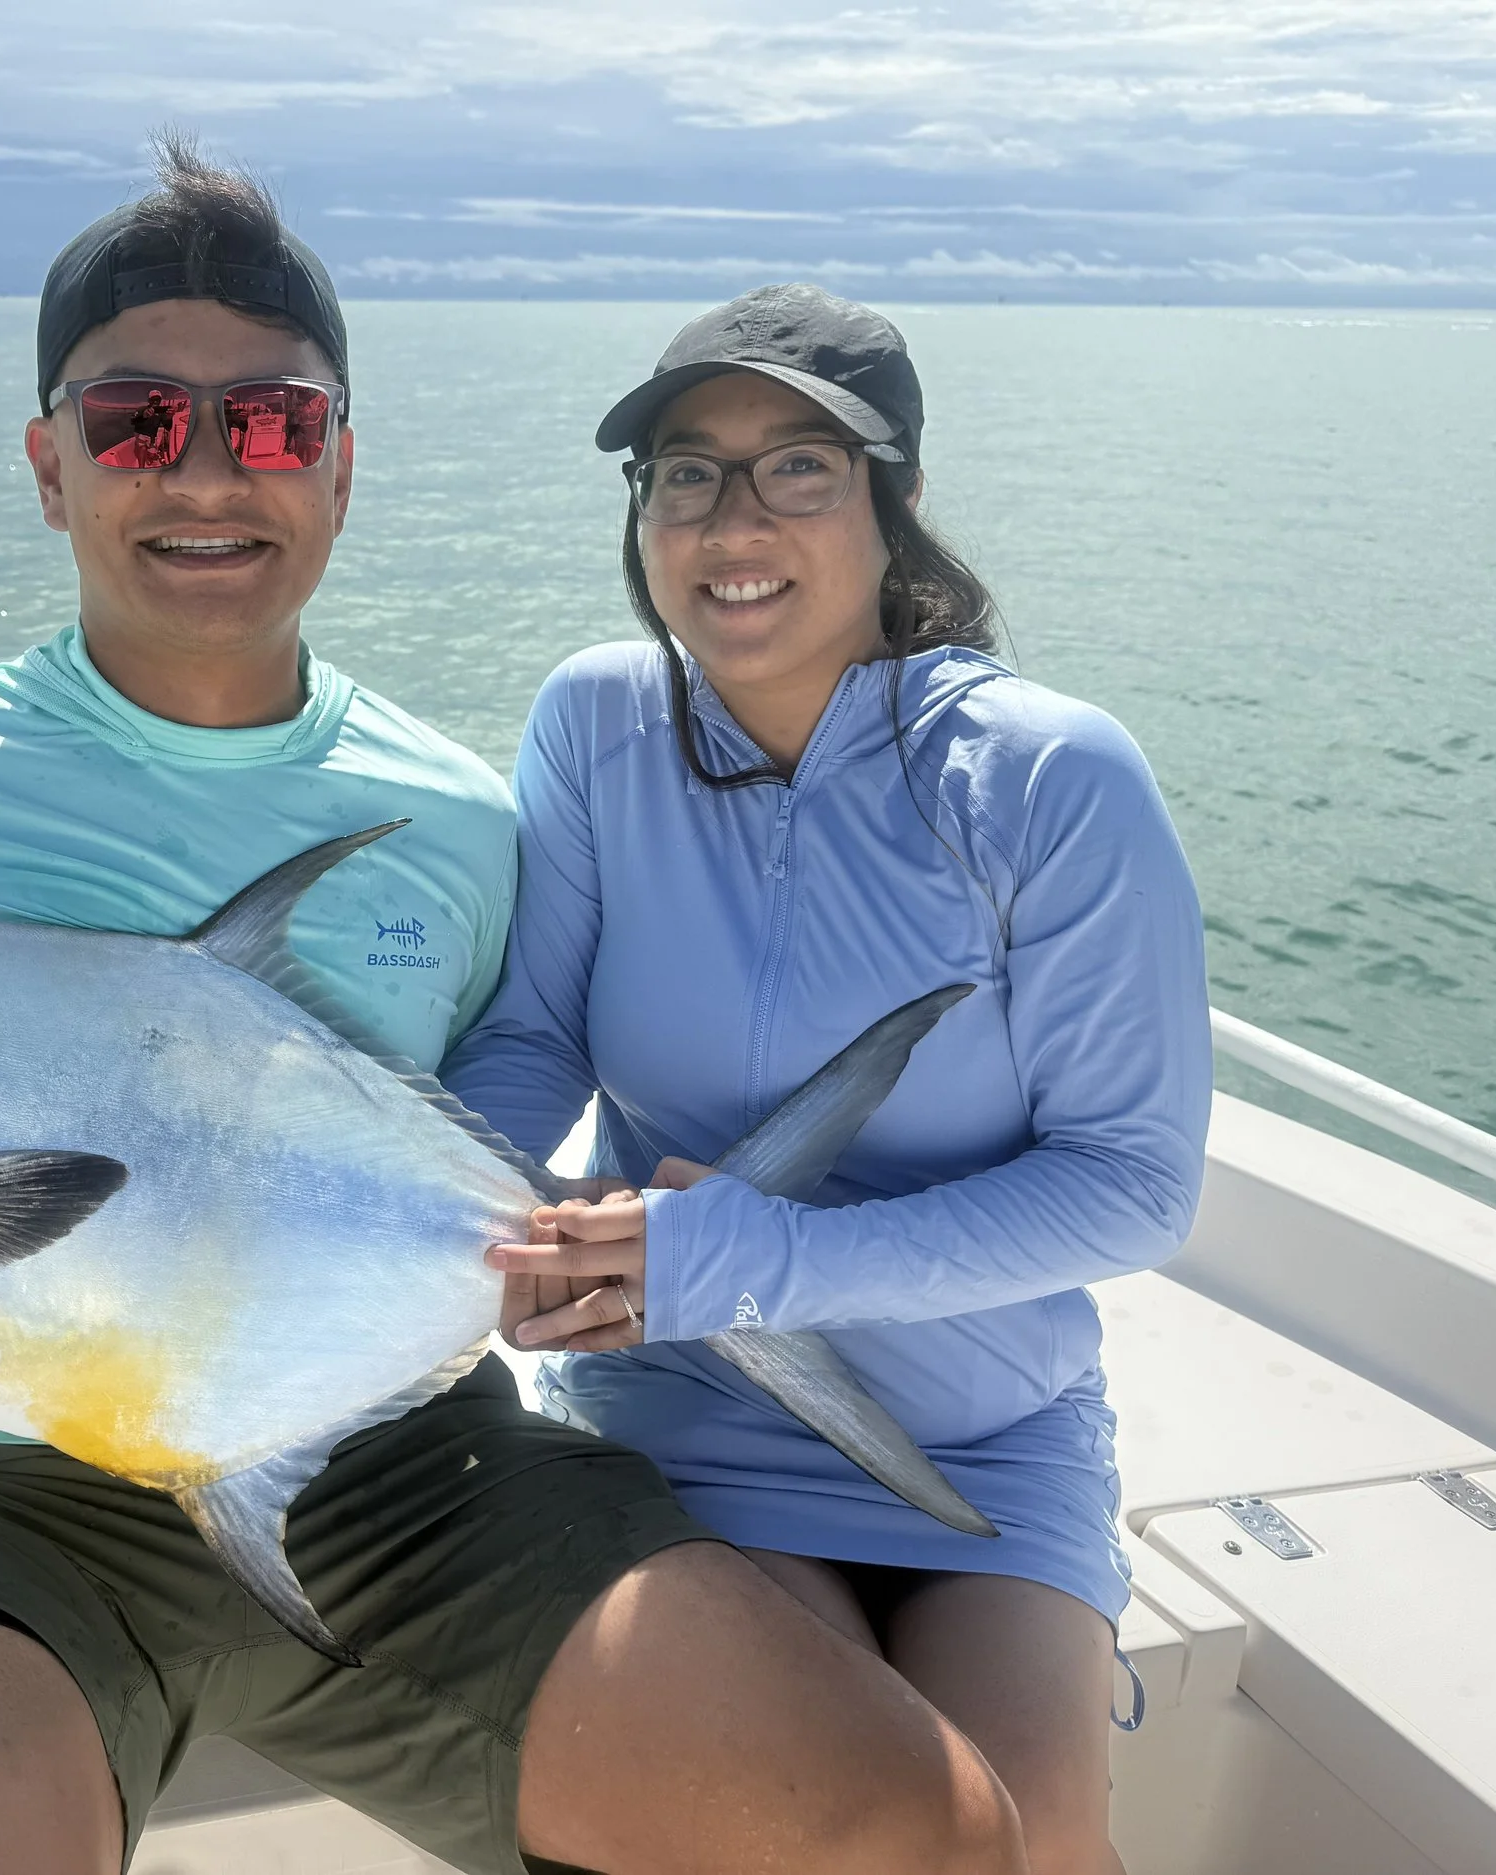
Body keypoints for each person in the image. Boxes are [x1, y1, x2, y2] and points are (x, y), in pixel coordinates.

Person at [0, 155, 1026, 1875]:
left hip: (398, 1456)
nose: (208, 472)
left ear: (343, 471)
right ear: (48, 466)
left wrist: (589, 1258)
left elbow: (464, 1132)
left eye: (274, 425)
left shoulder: (453, 816)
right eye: (137, 422)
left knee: (920, 1830)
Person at [446, 285, 1213, 1875]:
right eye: (685, 471)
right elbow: (532, 1039)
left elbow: (1134, 1181)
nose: (734, 518)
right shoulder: (595, 724)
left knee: (1035, 1842)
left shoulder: (1053, 779)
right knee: (826, 1823)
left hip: (989, 1437)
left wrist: (745, 1255)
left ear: (899, 501)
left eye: (798, 465)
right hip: (683, 1408)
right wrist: (484, 1228)